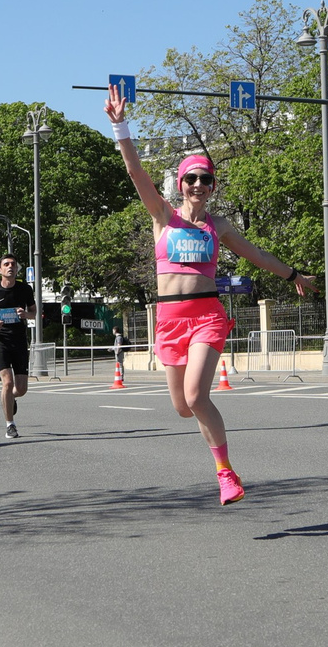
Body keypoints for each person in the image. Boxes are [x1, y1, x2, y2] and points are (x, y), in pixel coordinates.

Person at [102, 84, 313, 504]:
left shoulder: (219, 226)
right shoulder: (163, 217)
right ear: (181, 183)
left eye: (206, 179)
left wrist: (292, 274)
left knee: (199, 395)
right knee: (183, 407)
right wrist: (121, 127)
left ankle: (225, 473)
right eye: (192, 178)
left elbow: (255, 254)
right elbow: (136, 173)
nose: (199, 184)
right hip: (168, 320)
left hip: (206, 316)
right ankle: (222, 466)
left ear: (212, 186)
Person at [0, 254, 38, 438]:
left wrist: (25, 314)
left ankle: (10, 399)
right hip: (1, 341)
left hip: (19, 341)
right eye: (6, 264)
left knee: (21, 389)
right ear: (0, 270)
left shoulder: (25, 289)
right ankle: (10, 425)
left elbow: (34, 312)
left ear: (17, 269)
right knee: (7, 382)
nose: (10, 267)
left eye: (13, 264)